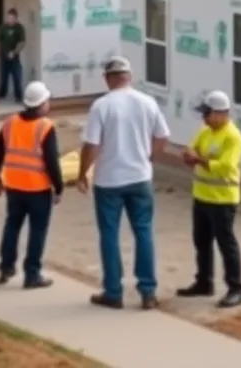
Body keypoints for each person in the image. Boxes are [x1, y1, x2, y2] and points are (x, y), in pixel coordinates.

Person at [78, 56, 170, 310]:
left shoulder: (102, 106)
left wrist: (82, 172)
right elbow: (162, 136)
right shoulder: (147, 102)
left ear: (108, 78)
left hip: (109, 179)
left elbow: (92, 145)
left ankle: (113, 291)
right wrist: (149, 158)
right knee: (143, 232)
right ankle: (148, 292)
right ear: (129, 77)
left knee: (109, 234)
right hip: (139, 176)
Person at [177, 90, 241, 308]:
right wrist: (190, 157)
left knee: (226, 245)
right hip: (202, 196)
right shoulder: (205, 131)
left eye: (206, 113)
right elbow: (192, 148)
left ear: (219, 114)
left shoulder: (232, 136)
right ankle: (204, 281)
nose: (204, 117)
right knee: (201, 241)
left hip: (223, 200)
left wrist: (200, 160)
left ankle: (236, 288)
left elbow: (226, 166)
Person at [0, 80, 63, 289]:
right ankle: (32, 274)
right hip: (38, 188)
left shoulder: (10, 122)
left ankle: (6, 267)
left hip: (14, 185)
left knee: (12, 225)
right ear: (42, 104)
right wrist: (58, 187)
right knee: (37, 231)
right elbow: (51, 161)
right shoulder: (45, 127)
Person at [0, 8, 26, 103]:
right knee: (3, 76)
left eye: (12, 18)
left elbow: (22, 42)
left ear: (16, 18)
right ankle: (2, 93)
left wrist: (14, 52)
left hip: (14, 56)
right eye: (9, 17)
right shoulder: (2, 28)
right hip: (3, 55)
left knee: (17, 76)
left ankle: (18, 96)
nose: (10, 20)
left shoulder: (19, 28)